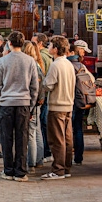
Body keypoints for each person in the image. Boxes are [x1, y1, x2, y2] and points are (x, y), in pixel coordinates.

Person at [0, 31, 39, 182]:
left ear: (9, 44)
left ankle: (8, 170)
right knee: (22, 138)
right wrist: (31, 105)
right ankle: (21, 172)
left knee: (6, 138)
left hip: (6, 104)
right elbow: (34, 87)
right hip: (24, 104)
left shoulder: (2, 61)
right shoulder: (30, 61)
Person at [40, 36, 76, 180]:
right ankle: (66, 167)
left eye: (50, 46)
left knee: (57, 139)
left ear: (55, 49)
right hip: (68, 105)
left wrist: (41, 82)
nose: (48, 48)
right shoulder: (68, 64)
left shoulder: (55, 65)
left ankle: (58, 169)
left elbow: (48, 85)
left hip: (57, 106)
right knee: (67, 138)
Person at [67, 43, 94, 166]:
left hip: (69, 100)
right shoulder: (81, 66)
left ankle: (66, 157)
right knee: (78, 129)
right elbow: (91, 80)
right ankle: (78, 157)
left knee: (67, 129)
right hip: (80, 100)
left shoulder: (66, 65)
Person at [22, 40, 45, 173]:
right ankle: (39, 159)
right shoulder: (38, 64)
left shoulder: (32, 65)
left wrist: (35, 101)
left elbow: (36, 86)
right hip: (37, 102)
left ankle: (31, 161)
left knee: (31, 132)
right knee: (37, 131)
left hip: (32, 103)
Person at [31, 32, 53, 162]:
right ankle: (44, 152)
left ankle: (44, 153)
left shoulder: (42, 58)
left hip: (41, 96)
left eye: (34, 43)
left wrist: (41, 95)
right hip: (44, 95)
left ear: (39, 43)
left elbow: (41, 79)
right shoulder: (47, 57)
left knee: (40, 126)